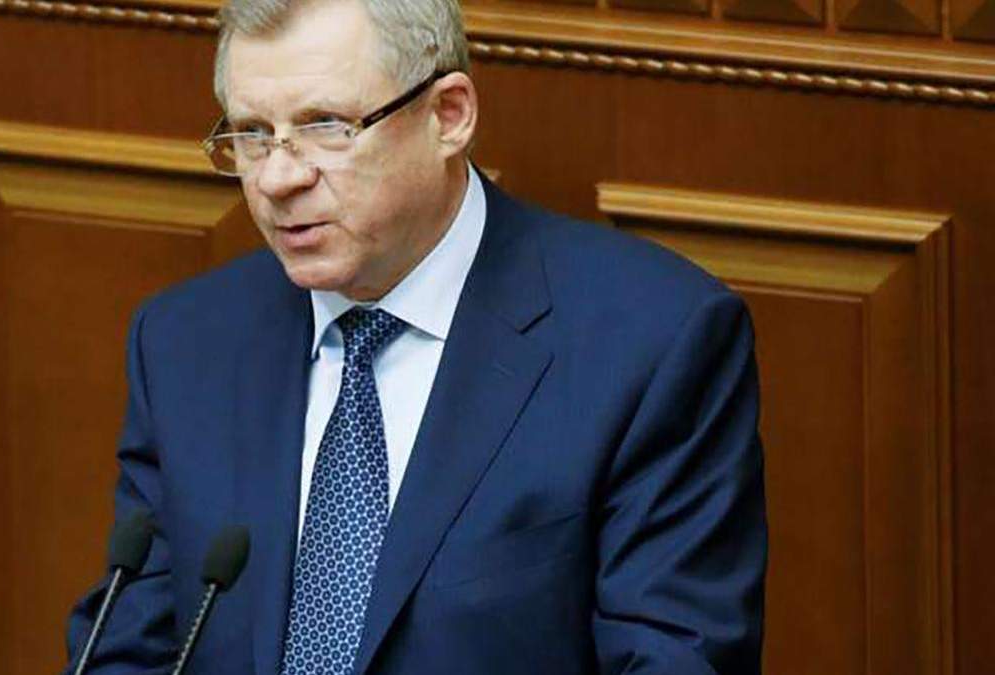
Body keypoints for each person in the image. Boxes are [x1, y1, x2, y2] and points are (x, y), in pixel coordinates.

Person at [65, 0, 767, 672]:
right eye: (252, 134)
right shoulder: (186, 344)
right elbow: (130, 647)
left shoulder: (651, 345)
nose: (277, 178)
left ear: (448, 115)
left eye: (326, 126)